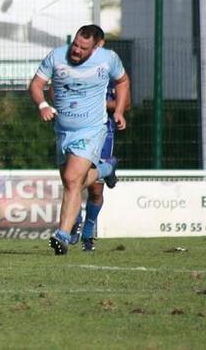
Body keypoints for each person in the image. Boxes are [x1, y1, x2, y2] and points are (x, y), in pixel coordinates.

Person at [28, 24, 129, 255]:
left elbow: (123, 82)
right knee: (70, 181)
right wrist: (43, 104)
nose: (76, 50)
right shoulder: (56, 56)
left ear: (95, 48)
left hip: (92, 130)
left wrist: (119, 111)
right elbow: (36, 85)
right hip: (63, 130)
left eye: (83, 48)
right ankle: (106, 168)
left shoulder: (108, 60)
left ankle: (62, 236)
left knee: (73, 180)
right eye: (75, 44)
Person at [69, 77, 129, 252]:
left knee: (95, 189)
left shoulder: (113, 70)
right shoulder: (71, 67)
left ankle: (87, 233)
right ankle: (75, 219)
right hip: (75, 129)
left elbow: (125, 104)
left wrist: (94, 105)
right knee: (73, 180)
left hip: (103, 132)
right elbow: (54, 91)